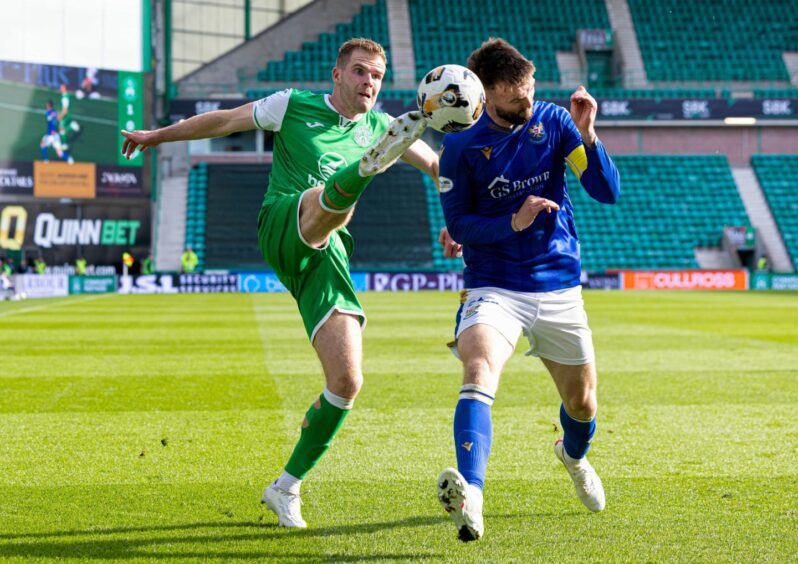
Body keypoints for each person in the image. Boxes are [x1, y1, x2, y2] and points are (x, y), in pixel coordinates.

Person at [120, 37, 437, 529]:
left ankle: (285, 486)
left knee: (347, 382)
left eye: (376, 75)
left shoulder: (383, 126)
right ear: (337, 75)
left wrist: (462, 212)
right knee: (328, 200)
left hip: (328, 254)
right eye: (358, 72)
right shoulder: (292, 104)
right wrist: (156, 136)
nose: (368, 82)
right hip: (286, 218)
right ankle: (360, 174)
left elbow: (438, 168)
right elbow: (224, 121)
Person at [434, 38, 621, 542]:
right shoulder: (458, 147)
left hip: (558, 282)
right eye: (518, 98)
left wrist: (589, 133)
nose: (529, 103)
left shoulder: (556, 123)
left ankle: (573, 455)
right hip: (494, 284)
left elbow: (606, 192)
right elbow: (461, 226)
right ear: (487, 95)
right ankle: (472, 494)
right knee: (478, 369)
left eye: (532, 91)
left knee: (582, 405)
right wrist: (513, 222)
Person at [57, 84, 79, 164]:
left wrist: (60, 116)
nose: (60, 88)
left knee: (61, 130)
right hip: (67, 114)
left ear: (65, 88)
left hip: (65, 115)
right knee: (61, 129)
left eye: (61, 87)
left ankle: (71, 127)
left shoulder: (65, 98)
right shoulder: (65, 95)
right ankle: (65, 143)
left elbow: (65, 110)